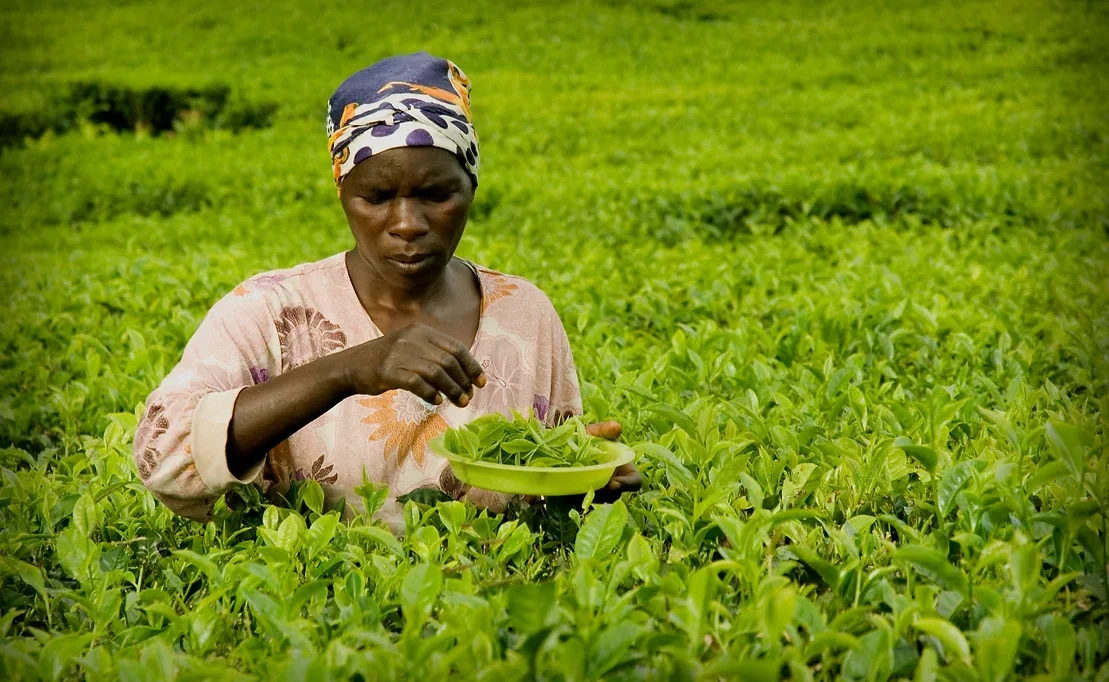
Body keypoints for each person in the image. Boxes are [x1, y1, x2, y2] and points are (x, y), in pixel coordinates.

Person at [132, 52, 640, 533]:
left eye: (436, 195)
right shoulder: (266, 312)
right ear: (344, 196)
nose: (406, 224)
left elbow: (548, 476)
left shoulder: (525, 314)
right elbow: (164, 459)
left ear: (470, 190)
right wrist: (350, 370)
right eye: (377, 197)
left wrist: (585, 485)